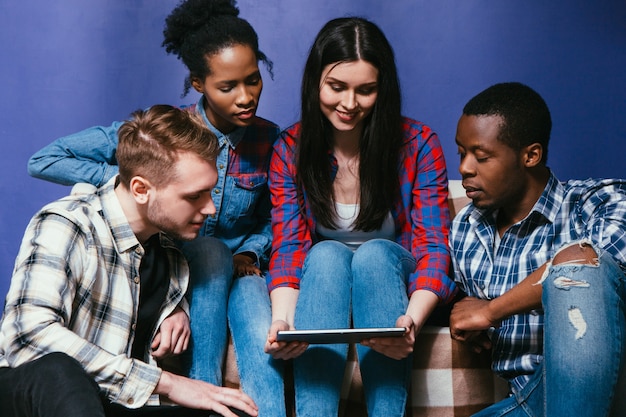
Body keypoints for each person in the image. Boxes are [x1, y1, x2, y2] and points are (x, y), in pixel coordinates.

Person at [27, 1, 286, 416]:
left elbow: (281, 215)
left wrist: (251, 252)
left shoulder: (272, 140)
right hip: (187, 258)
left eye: (253, 80)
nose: (245, 96)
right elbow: (44, 160)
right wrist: (133, 184)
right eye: (228, 87)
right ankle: (204, 397)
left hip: (242, 265)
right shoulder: (164, 137)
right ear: (199, 83)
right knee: (208, 250)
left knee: (256, 315)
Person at [0, 105, 261, 417]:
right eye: (194, 196)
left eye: (210, 192)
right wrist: (168, 383)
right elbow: (28, 337)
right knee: (60, 369)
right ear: (140, 189)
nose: (210, 209)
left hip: (115, 402)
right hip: (42, 396)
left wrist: (178, 309)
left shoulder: (167, 246)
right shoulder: (67, 224)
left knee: (229, 411)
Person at [263, 17, 456, 417]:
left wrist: (411, 323)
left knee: (372, 255)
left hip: (390, 282)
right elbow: (288, 247)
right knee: (327, 254)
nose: (350, 104)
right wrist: (283, 321)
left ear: (381, 90)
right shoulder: (290, 149)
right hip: (324, 284)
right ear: (315, 81)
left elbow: (434, 246)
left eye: (365, 90)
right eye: (337, 87)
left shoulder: (419, 145)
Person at [449, 81, 626, 416]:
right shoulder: (466, 228)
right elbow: (469, 314)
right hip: (527, 402)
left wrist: (492, 310)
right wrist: (473, 324)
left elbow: (585, 259)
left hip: (609, 395)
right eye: (461, 153)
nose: (464, 168)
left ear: (530, 155)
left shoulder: (599, 202)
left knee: (579, 267)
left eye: (481, 156)